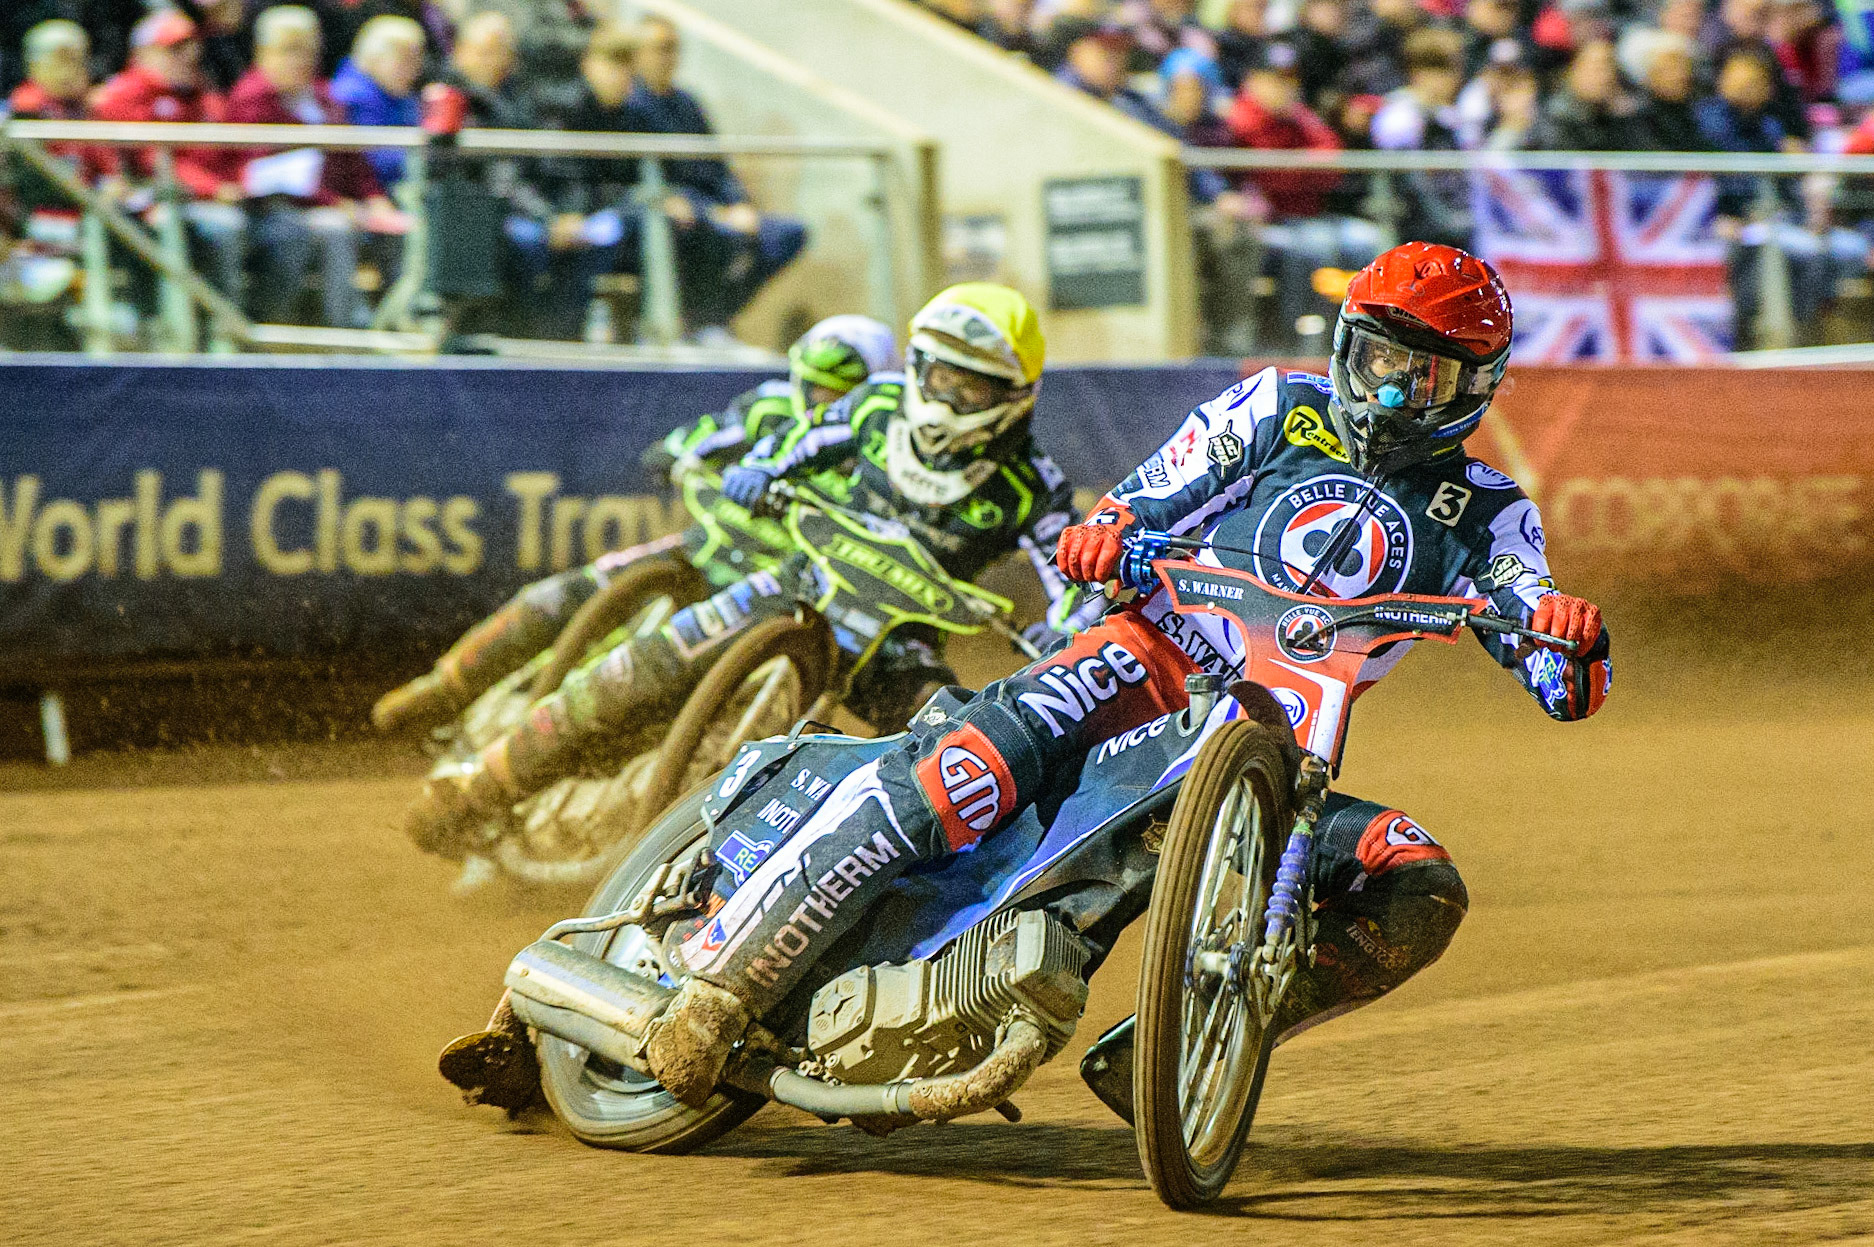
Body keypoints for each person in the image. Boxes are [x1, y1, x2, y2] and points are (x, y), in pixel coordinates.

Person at [616, 243, 1614, 1113]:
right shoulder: (1276, 404)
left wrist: (1563, 640)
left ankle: (1179, 1045)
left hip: (1274, 749)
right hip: (1143, 663)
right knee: (961, 769)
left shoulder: (1484, 508)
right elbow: (1149, 492)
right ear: (1347, 343)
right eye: (1380, 358)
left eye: (1424, 374)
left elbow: (1546, 654)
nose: (1393, 389)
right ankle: (718, 982)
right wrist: (1112, 534)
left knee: (1416, 882)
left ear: (1474, 388)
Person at [402, 284, 1083, 852]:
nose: (949, 397)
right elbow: (796, 441)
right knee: (634, 667)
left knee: (941, 763)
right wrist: (758, 470)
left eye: (971, 387)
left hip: (896, 644)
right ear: (919, 365)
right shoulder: (876, 406)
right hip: (797, 585)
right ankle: (481, 785)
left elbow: (1068, 570)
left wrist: (1068, 626)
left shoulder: (1033, 483)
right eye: (941, 376)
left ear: (1014, 394)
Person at [373, 314, 901, 733]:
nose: (816, 403)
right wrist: (674, 456)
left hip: (787, 591)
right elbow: (690, 441)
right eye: (810, 387)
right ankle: (445, 687)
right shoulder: (767, 408)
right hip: (706, 550)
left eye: (836, 394)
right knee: (560, 595)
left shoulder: (886, 449)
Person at [624, 15, 808, 344]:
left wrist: (739, 204)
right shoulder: (629, 106)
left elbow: (718, 166)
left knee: (787, 235)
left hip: (715, 207)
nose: (669, 58)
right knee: (692, 226)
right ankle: (690, 324)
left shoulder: (687, 104)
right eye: (660, 49)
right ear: (637, 54)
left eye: (674, 49)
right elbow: (634, 178)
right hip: (675, 211)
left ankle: (714, 318)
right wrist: (709, 210)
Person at [225, 5, 389, 327]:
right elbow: (260, 174)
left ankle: (362, 331)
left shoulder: (323, 96)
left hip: (327, 206)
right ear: (263, 53)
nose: (301, 60)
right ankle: (276, 330)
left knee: (392, 226)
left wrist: (373, 197)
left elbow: (353, 158)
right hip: (269, 209)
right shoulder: (251, 98)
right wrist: (338, 203)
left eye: (309, 50)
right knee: (323, 230)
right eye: (289, 50)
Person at [89, 9, 248, 305]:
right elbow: (151, 159)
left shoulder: (204, 94)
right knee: (224, 227)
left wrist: (243, 183)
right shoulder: (124, 95)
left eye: (191, 46)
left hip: (214, 199)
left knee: (284, 229)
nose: (188, 55)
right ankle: (223, 329)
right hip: (155, 201)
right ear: (143, 53)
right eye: (174, 48)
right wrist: (213, 189)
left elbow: (232, 151)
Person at [330, 14, 427, 190]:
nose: (414, 70)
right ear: (373, 58)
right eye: (405, 60)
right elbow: (371, 160)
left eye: (416, 60)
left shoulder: (401, 94)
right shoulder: (352, 96)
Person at [1530, 38, 1642, 150]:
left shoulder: (1624, 117)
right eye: (1597, 68)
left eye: (1609, 68)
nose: (1605, 77)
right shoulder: (1554, 120)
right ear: (1572, 70)